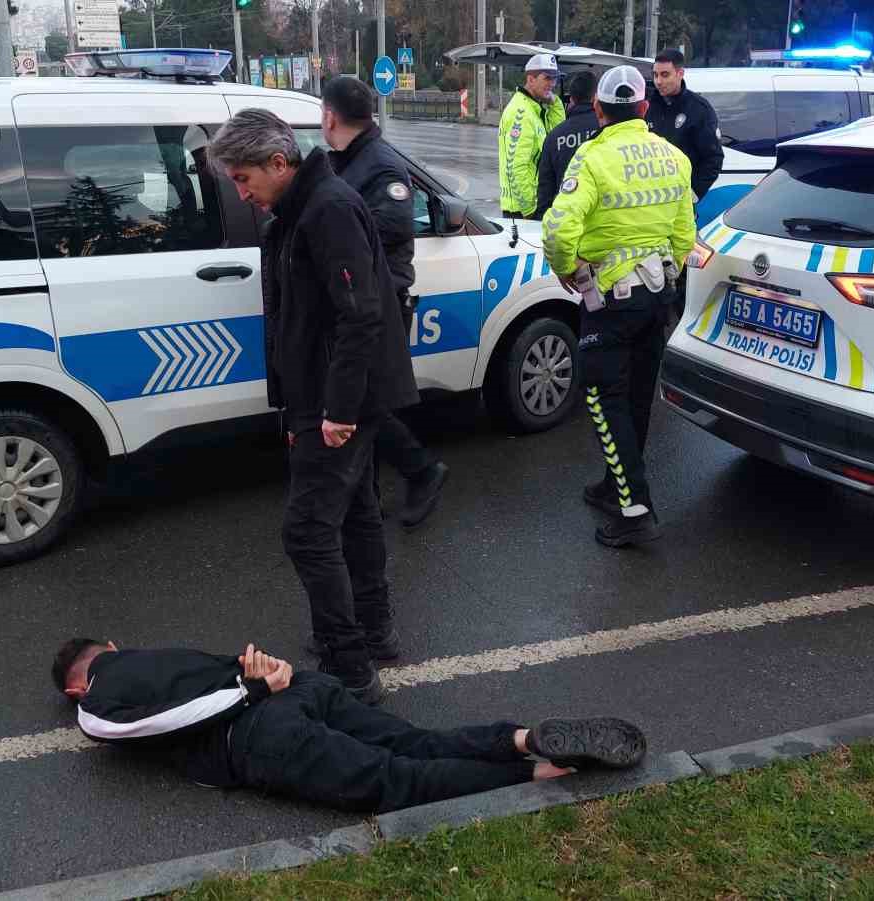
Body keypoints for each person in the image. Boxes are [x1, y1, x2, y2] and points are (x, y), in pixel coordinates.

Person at [210, 109, 418, 704]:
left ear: (279, 163)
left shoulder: (327, 209)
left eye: (244, 179)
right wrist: (299, 407)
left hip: (339, 398)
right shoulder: (302, 208)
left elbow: (361, 315)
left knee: (306, 531)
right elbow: (302, 317)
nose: (242, 193)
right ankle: (373, 631)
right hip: (324, 395)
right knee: (356, 512)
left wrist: (338, 411)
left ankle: (348, 664)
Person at [53, 638, 649, 813]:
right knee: (413, 741)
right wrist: (267, 676)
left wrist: (250, 692)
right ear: (111, 646)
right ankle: (521, 738)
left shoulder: (94, 705)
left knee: (398, 780)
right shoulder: (158, 653)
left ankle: (539, 773)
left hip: (260, 735)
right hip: (302, 689)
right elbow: (242, 663)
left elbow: (169, 720)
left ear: (76, 686)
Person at [540, 66, 696, 548]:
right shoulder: (674, 157)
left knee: (602, 395)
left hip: (610, 299)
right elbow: (684, 234)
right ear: (645, 108)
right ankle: (617, 484)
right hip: (658, 296)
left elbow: (558, 228)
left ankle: (635, 508)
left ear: (599, 110)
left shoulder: (591, 157)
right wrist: (667, 273)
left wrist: (566, 268)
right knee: (636, 396)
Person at [321, 75, 451, 532]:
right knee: (360, 401)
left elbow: (394, 225)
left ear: (330, 117)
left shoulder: (381, 164)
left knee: (364, 402)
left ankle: (421, 471)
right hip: (356, 296)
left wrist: (326, 236)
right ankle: (371, 499)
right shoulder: (346, 160)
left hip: (380, 299)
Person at [645, 49, 722, 202]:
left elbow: (713, 158)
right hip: (647, 198)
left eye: (665, 75)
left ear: (680, 74)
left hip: (680, 200)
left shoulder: (698, 109)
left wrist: (693, 194)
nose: (658, 81)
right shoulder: (645, 105)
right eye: (655, 75)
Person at [497, 53, 567, 219]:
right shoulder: (521, 113)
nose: (552, 84)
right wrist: (529, 210)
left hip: (534, 204)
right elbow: (516, 167)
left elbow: (557, 134)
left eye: (554, 79)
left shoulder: (534, 108)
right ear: (531, 79)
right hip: (522, 210)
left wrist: (555, 103)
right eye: (547, 78)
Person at [534, 70, 599, 222]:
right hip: (600, 219)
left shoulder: (554, 136)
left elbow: (545, 190)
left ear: (571, 99)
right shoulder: (608, 130)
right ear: (596, 97)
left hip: (564, 219)